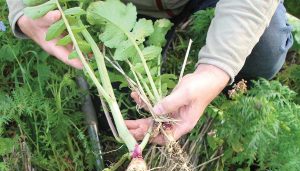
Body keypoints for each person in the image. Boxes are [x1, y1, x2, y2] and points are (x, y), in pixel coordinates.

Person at [6, 0, 293, 144]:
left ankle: (218, 106)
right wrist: (22, 11)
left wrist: (216, 69)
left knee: (263, 49)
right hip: (113, 7)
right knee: (117, 107)